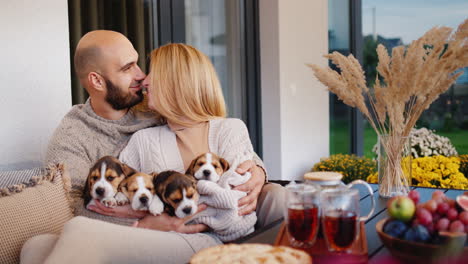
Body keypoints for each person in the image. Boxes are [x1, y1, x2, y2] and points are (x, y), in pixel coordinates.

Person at [116, 43, 259, 242]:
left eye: (153, 73)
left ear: (178, 82)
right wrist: (150, 223)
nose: (145, 80)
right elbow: (117, 196)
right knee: (76, 230)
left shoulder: (229, 129)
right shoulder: (143, 140)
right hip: (159, 241)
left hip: (216, 242)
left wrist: (160, 213)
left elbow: (234, 201)